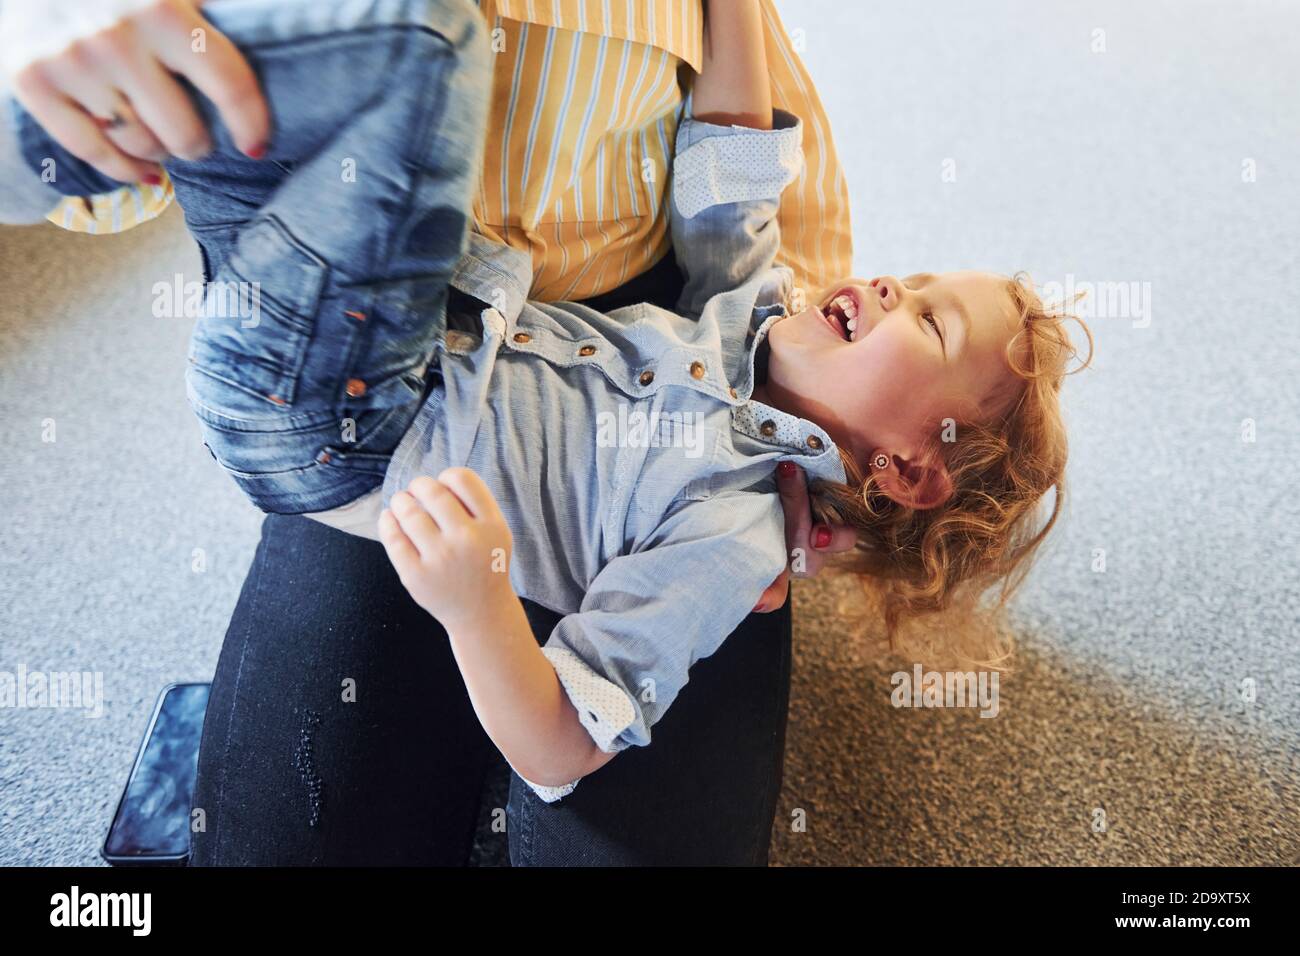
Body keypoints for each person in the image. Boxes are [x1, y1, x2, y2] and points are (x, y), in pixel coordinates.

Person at [7, 0, 1091, 849]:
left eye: (931, 317)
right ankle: (35, 122)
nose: (892, 282)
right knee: (271, 99)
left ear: (908, 468)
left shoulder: (732, 531)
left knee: (413, 45)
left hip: (341, 420)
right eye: (917, 277)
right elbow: (734, 166)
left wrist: (482, 606)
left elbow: (565, 743)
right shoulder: (748, 317)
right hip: (362, 327)